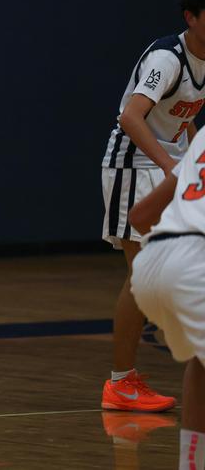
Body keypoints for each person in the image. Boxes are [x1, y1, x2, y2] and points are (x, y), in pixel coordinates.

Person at [100, 0, 205, 412]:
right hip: (133, 166)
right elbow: (130, 116)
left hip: (168, 169)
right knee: (141, 276)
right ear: (191, 17)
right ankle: (120, 383)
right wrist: (170, 166)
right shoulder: (167, 57)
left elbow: (183, 118)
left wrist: (192, 157)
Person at [128, 109, 205, 470]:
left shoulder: (201, 139)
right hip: (196, 265)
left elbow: (140, 216)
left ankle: (192, 463)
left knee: (200, 361)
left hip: (154, 264)